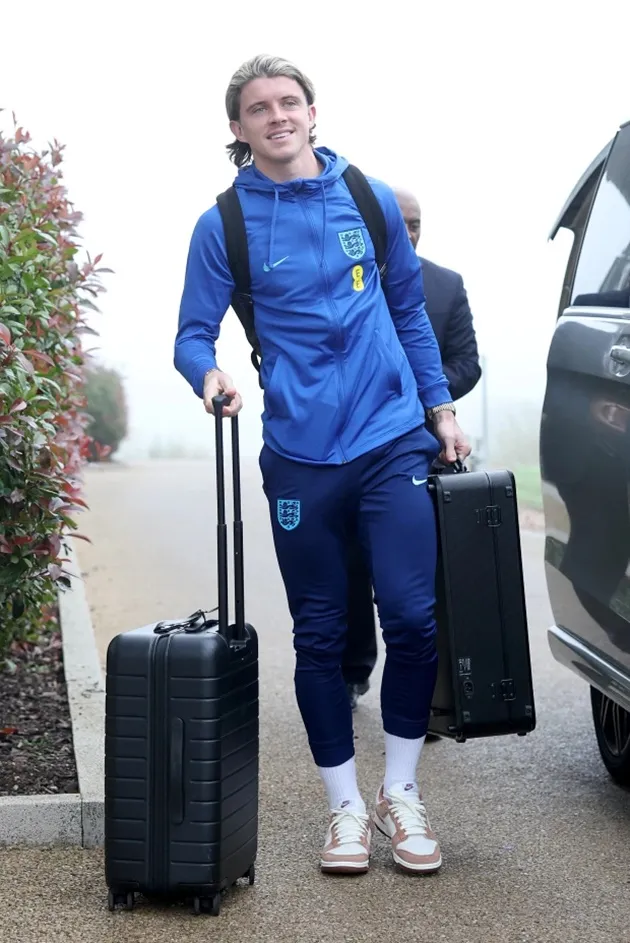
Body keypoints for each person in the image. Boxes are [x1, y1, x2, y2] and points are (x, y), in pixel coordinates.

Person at [174, 54, 471, 877]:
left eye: (290, 101)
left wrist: (439, 409)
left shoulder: (366, 199)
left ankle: (400, 793)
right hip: (301, 456)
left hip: (390, 441)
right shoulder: (223, 224)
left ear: (312, 111)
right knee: (322, 634)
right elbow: (192, 332)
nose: (278, 116)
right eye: (259, 108)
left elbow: (409, 309)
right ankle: (345, 807)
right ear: (238, 128)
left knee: (412, 617)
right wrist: (210, 373)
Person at [343, 187, 482, 710]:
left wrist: (420, 390)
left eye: (415, 223)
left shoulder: (446, 285)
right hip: (348, 449)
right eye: (397, 223)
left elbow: (467, 364)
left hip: (423, 445)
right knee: (351, 566)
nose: (407, 232)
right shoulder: (338, 280)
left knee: (412, 579)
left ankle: (425, 692)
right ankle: (353, 669)